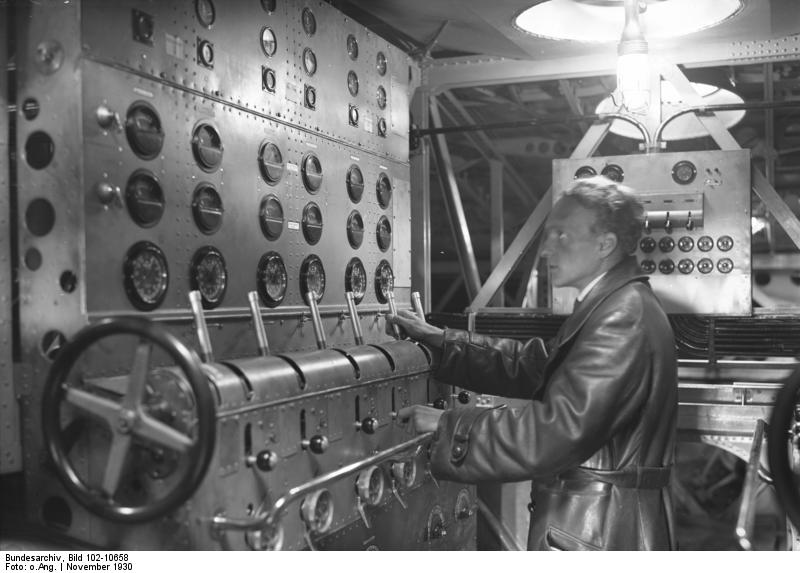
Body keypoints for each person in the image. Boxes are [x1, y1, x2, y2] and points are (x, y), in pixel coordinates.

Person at [390, 175, 678, 550]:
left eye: (562, 235)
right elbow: (540, 365)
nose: (547, 249)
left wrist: (450, 425)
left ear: (605, 244)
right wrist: (446, 344)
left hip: (602, 531)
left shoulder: (623, 315)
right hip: (603, 521)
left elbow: (558, 432)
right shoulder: (615, 303)